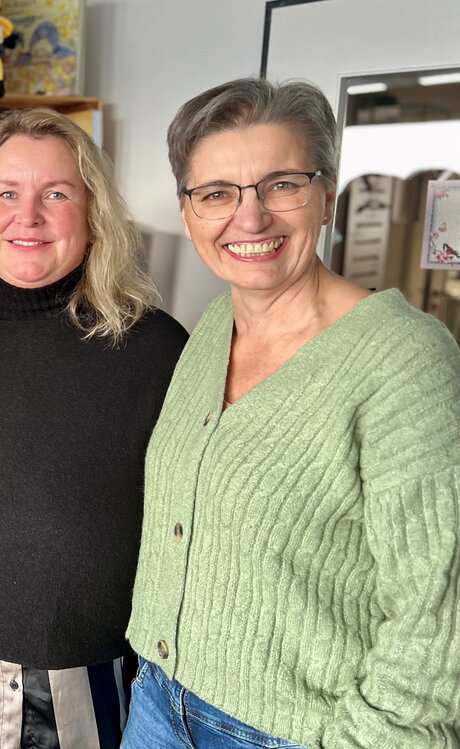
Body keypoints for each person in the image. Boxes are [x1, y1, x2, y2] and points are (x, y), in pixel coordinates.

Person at [123, 78, 460, 749]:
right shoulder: (212, 326)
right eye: (217, 193)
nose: (250, 219)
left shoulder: (406, 358)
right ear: (190, 212)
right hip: (158, 700)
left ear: (326, 195)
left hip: (290, 733)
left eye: (282, 184)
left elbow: (437, 615)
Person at [0, 107, 188, 748]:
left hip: (90, 674)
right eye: (8, 194)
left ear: (93, 214)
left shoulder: (155, 348)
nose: (29, 216)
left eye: (56, 193)